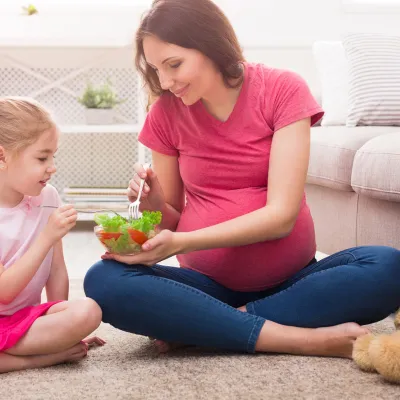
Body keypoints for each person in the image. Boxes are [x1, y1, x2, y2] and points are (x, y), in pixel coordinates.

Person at [84, 0, 400, 357]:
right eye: (157, 69)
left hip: (295, 283)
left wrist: (180, 244)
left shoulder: (282, 89)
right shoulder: (165, 114)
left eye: (174, 64)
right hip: (203, 286)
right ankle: (296, 337)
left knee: (388, 266)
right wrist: (155, 205)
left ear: (211, 44)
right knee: (103, 280)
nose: (165, 82)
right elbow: (173, 218)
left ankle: (211, 325)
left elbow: (281, 218)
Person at [0, 97, 105, 373]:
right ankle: (43, 358)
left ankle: (34, 349)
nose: (52, 166)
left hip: (24, 321)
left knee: (88, 310)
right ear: (2, 156)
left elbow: (56, 269)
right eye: (41, 157)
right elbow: (5, 291)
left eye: (53, 156)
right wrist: (47, 235)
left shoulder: (48, 197)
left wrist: (68, 330)